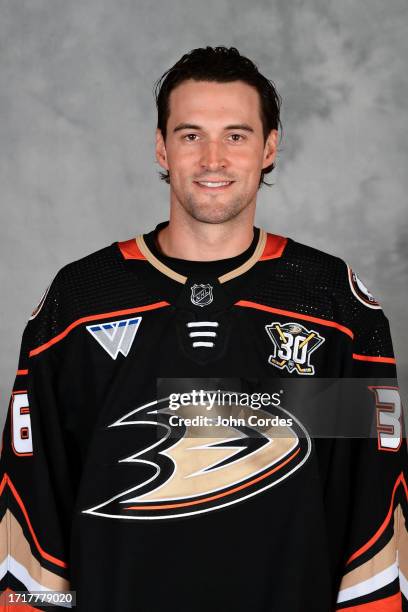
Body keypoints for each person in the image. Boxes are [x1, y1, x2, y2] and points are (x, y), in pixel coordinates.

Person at [0, 45, 406, 612]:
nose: (213, 158)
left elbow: (369, 506)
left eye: (236, 136)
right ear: (162, 148)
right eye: (191, 135)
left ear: (269, 148)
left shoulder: (332, 304)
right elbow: (35, 503)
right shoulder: (80, 301)